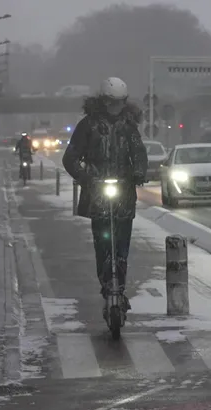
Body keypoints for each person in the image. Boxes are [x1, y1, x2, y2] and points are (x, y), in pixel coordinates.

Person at [62, 77, 148, 307]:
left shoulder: (129, 126)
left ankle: (120, 284)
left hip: (124, 194)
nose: (115, 108)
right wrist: (85, 177)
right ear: (103, 101)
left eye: (120, 103)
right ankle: (105, 280)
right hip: (97, 195)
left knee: (122, 243)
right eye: (111, 103)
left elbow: (139, 153)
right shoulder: (88, 126)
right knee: (102, 241)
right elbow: (70, 158)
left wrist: (139, 172)